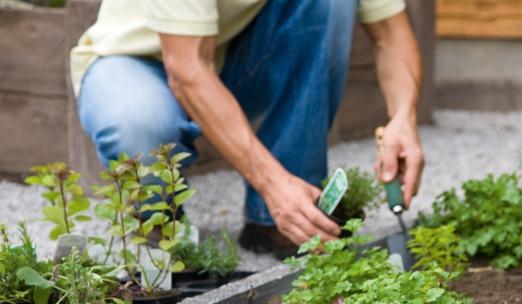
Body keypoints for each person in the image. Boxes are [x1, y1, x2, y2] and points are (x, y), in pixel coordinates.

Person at [71, 0, 425, 258]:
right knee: (140, 120)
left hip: (235, 58)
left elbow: (390, 34)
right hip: (134, 61)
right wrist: (272, 184)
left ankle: (287, 216)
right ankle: (160, 231)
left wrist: (403, 120)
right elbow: (187, 69)